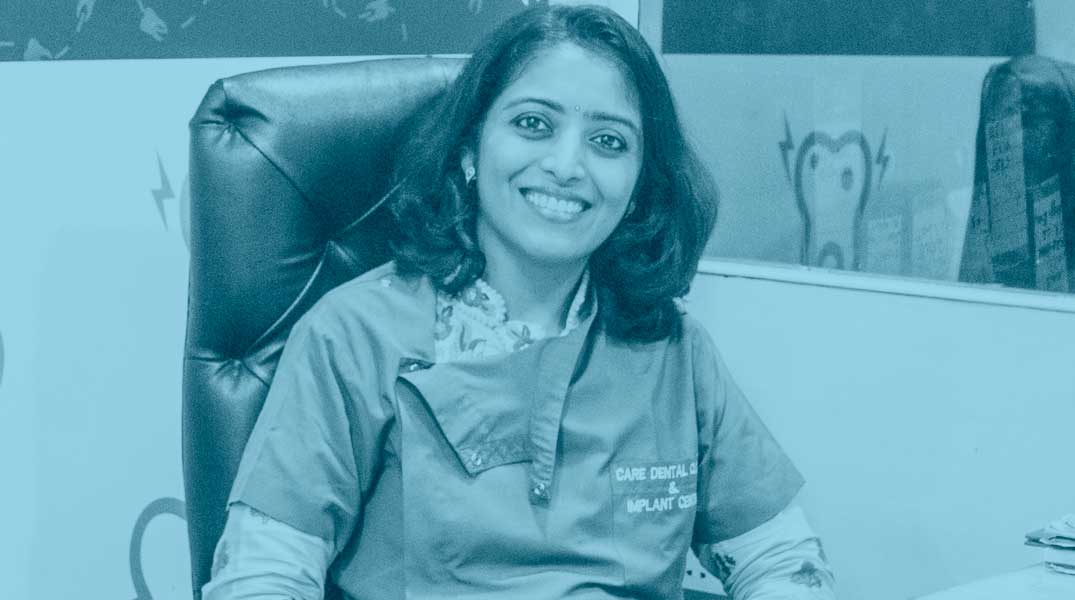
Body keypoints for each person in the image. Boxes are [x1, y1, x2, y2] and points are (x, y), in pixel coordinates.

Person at [203, 4, 836, 599]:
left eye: (609, 142)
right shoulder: (353, 337)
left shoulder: (674, 350)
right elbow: (262, 576)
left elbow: (781, 561)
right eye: (534, 124)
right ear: (470, 149)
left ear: (641, 184)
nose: (567, 165)